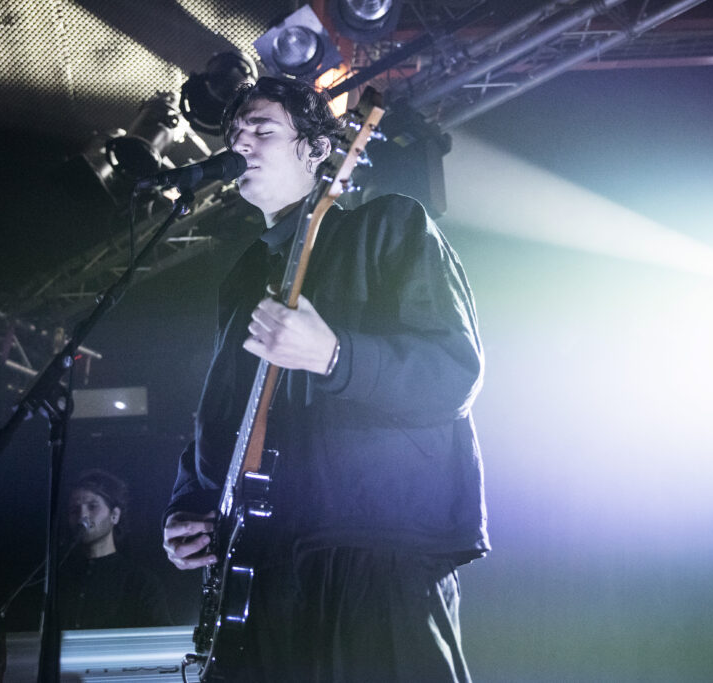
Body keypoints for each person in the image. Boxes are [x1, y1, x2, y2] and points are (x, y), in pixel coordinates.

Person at [161, 76, 489, 682]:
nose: (241, 144)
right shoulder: (244, 277)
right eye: (235, 133)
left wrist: (336, 356)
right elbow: (223, 415)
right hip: (263, 563)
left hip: (373, 547)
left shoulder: (388, 225)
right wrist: (190, 505)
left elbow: (452, 375)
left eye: (262, 130)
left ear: (316, 150)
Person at [58, 468, 171, 629]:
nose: (82, 516)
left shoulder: (141, 582)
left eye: (92, 506)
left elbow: (160, 636)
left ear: (114, 515)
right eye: (74, 510)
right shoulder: (59, 579)